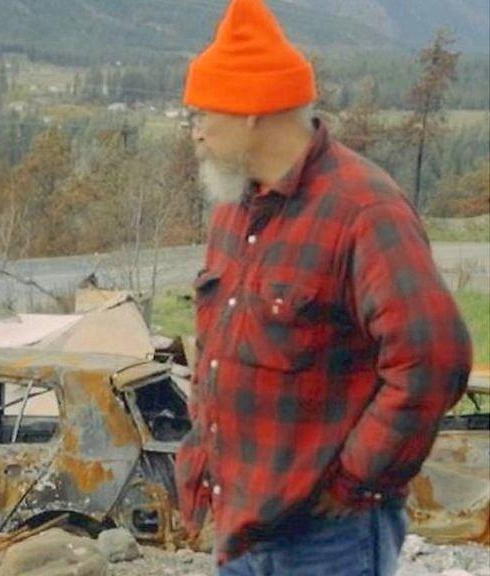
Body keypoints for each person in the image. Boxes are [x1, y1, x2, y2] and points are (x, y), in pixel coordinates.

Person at [174, 1, 473, 574]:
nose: (196, 132)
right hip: (241, 528)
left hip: (326, 540)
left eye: (201, 113)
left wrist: (354, 481)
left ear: (252, 112)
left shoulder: (363, 210)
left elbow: (433, 358)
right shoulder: (234, 212)